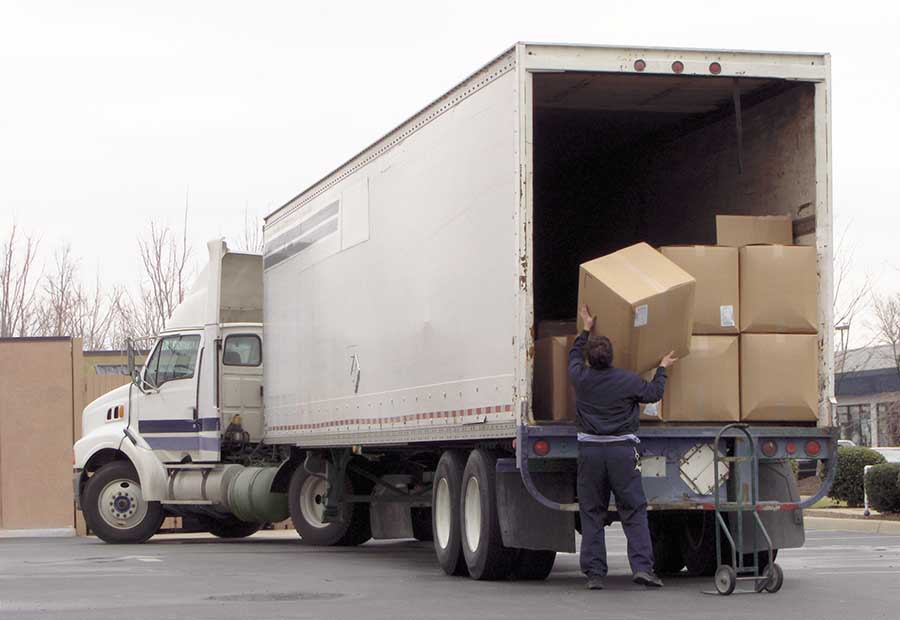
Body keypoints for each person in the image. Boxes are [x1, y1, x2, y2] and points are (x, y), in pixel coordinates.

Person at [570, 304, 678, 591]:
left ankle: (595, 574)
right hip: (622, 453)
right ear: (612, 358)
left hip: (590, 453)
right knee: (633, 509)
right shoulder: (627, 380)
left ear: (589, 361)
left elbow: (572, 357)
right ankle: (643, 568)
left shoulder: (581, 379)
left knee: (592, 511)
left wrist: (585, 329)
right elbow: (654, 393)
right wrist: (662, 369)